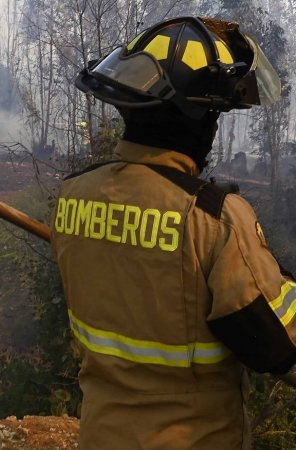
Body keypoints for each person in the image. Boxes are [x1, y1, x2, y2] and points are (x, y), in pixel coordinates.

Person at [50, 16, 296, 449]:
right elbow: (276, 345)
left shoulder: (73, 195)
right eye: (214, 115)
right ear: (198, 121)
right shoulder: (213, 218)